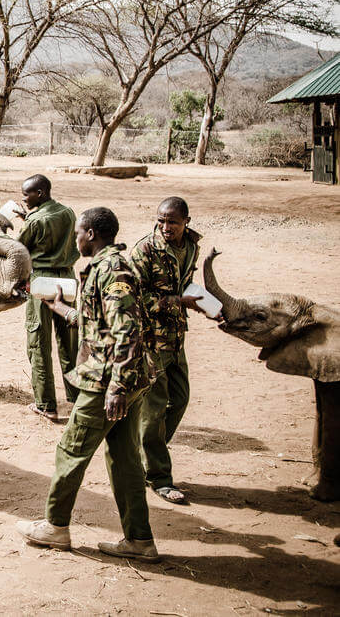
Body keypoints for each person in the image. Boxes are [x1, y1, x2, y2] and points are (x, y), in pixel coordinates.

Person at [16, 207, 160, 562]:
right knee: (125, 460)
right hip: (123, 379)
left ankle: (55, 526)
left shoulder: (112, 270)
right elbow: (99, 324)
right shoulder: (105, 267)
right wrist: (60, 307)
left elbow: (127, 330)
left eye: (79, 232)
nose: (75, 238)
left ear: (91, 234)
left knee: (71, 450)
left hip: (107, 382)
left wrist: (117, 388)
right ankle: (139, 540)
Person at [130, 196, 202, 505]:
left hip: (176, 337)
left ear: (186, 221)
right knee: (155, 407)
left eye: (172, 221)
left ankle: (148, 449)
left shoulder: (192, 246)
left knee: (181, 399)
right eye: (161, 220)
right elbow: (131, 298)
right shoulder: (144, 250)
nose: (165, 227)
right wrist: (175, 302)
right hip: (151, 341)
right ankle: (159, 476)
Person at [15, 174, 79, 421]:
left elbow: (20, 249)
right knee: (69, 340)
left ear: (40, 193)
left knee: (38, 343)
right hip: (67, 280)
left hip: (41, 283)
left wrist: (24, 222)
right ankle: (75, 396)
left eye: (27, 194)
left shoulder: (34, 222)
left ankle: (46, 404)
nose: (24, 198)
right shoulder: (68, 212)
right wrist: (27, 216)